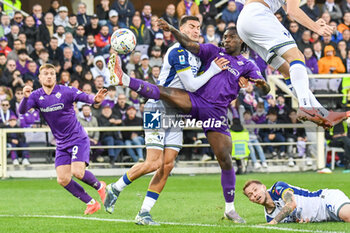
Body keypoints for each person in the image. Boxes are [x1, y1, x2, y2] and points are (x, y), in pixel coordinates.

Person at [107, 19, 271, 224]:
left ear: (242, 41)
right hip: (185, 102)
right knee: (154, 158)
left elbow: (265, 91)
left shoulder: (247, 65)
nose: (226, 40)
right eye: (225, 37)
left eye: (231, 37)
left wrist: (261, 84)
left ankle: (229, 209)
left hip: (212, 112)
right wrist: (172, 29)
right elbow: (191, 52)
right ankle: (124, 79)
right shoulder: (210, 51)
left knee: (221, 159)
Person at [236, 0, 349, 128]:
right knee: (297, 57)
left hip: (244, 23)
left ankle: (323, 113)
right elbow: (292, 11)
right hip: (259, 15)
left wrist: (312, 23)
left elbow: (287, 8)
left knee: (287, 69)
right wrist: (317, 28)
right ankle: (306, 106)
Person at [18, 63, 108, 215]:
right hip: (61, 143)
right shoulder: (35, 96)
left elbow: (84, 97)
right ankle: (91, 203)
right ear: (39, 77)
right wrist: (25, 98)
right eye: (46, 73)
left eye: (52, 73)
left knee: (78, 172)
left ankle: (100, 186)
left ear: (55, 76)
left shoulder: (66, 91)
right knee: (63, 179)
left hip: (77, 138)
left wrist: (95, 99)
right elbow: (21, 111)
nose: (49, 76)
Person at [243, 180, 350, 223]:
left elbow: (291, 204)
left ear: (263, 187)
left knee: (347, 215)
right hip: (323, 218)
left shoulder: (278, 188)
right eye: (250, 195)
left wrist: (274, 222)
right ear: (250, 200)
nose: (255, 195)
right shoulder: (269, 217)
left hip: (324, 199)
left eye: (255, 190)